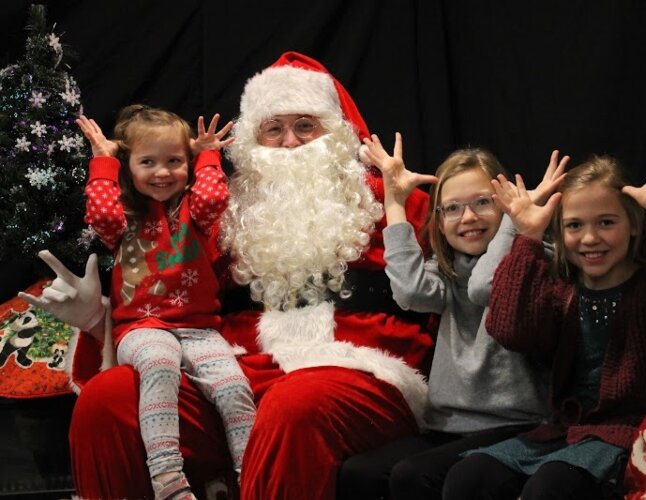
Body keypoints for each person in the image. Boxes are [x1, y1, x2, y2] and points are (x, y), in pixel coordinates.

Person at [29, 52, 435, 500]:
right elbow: (167, 296)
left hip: (361, 367)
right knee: (109, 400)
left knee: (293, 405)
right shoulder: (226, 214)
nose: (289, 143)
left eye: (305, 125)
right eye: (273, 128)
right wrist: (96, 322)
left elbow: (454, 294)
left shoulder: (397, 201)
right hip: (241, 369)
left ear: (336, 132)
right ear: (253, 139)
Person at [441, 140, 646, 499]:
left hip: (631, 435)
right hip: (563, 434)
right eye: (575, 226)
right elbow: (510, 330)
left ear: (633, 226)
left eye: (606, 222)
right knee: (468, 477)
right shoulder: (563, 291)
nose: (590, 238)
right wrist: (528, 237)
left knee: (550, 487)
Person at [336, 134, 566, 499]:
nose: (469, 217)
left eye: (483, 203)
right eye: (453, 209)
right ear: (439, 221)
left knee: (415, 476)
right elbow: (410, 293)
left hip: (519, 426)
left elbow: (484, 288)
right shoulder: (448, 269)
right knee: (360, 473)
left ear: (506, 203)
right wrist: (395, 202)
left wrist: (514, 224)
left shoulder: (533, 256)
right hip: (449, 425)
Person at [74, 105, 252, 499]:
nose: (162, 172)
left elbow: (211, 196)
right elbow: (100, 212)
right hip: (141, 328)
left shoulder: (196, 212)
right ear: (129, 166)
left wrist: (207, 153)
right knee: (158, 364)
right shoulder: (123, 215)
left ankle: (252, 477)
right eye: (148, 162)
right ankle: (167, 477)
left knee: (232, 386)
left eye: (174, 161)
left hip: (200, 330)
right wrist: (105, 161)